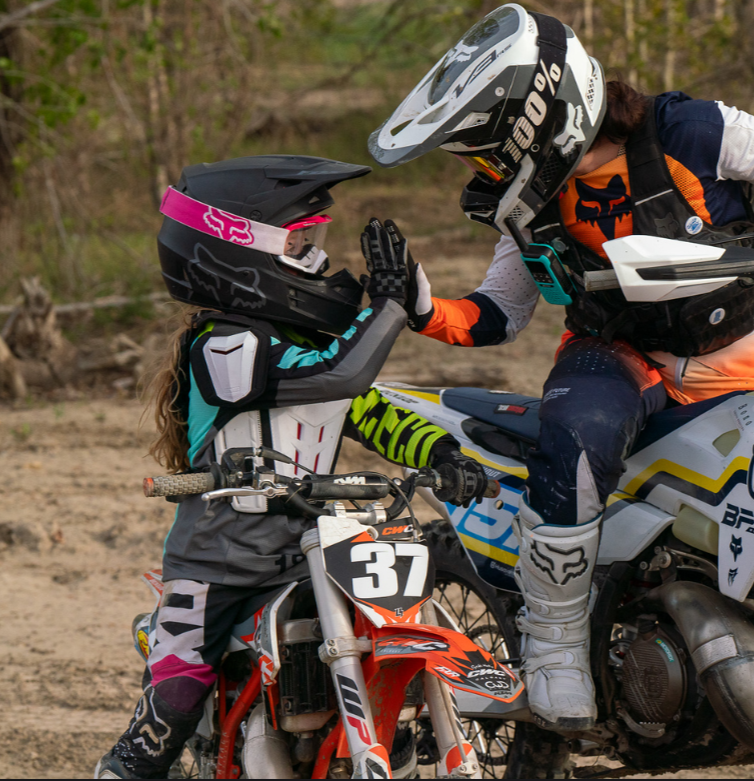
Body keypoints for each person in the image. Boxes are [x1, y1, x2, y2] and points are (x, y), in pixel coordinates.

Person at [367, 3, 754, 746]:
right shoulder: (531, 202)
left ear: (535, 124)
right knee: (575, 434)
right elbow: (497, 315)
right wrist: (421, 306)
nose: (483, 172)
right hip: (619, 359)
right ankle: (554, 646)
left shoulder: (691, 132)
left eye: (485, 152)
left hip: (736, 360)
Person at [95, 154, 486, 780]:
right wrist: (386, 308)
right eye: (299, 243)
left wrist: (444, 456)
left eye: (315, 240)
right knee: (170, 706)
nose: (315, 257)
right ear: (234, 254)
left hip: (312, 551)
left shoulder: (308, 344)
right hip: (214, 566)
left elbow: (372, 409)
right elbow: (339, 373)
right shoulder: (223, 344)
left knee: (388, 650)